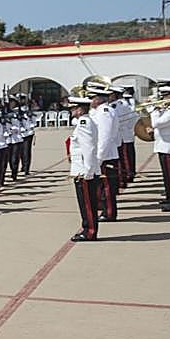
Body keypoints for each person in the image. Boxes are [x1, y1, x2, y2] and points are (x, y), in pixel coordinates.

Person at [67, 96, 102, 241]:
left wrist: (88, 171)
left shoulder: (84, 123)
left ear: (80, 110)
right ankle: (87, 228)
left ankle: (90, 231)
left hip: (84, 171)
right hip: (82, 169)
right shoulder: (84, 121)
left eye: (73, 108)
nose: (71, 111)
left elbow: (88, 148)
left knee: (88, 204)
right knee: (85, 203)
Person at [88, 85, 120, 222]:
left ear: (98, 99)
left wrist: (99, 157)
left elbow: (104, 136)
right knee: (103, 186)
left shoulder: (104, 112)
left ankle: (109, 213)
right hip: (105, 153)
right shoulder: (100, 111)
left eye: (92, 98)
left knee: (107, 187)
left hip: (106, 155)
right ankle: (106, 210)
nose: (90, 101)